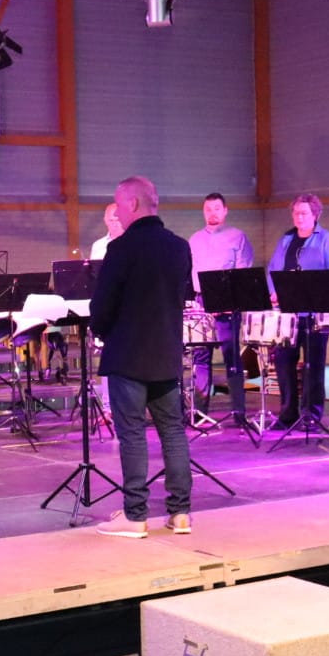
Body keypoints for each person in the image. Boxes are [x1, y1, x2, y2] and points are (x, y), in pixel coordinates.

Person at [91, 176, 194, 538]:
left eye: (119, 206)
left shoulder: (121, 249)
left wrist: (102, 331)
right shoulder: (180, 247)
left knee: (132, 434)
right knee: (173, 432)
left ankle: (135, 515)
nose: (117, 213)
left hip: (128, 356)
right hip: (166, 354)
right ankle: (181, 514)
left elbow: (102, 307)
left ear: (132, 204)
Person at [268, 193, 329, 428]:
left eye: (303, 213)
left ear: (315, 214)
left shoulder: (328, 240)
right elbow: (273, 270)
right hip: (287, 316)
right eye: (295, 213)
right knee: (284, 364)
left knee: (314, 366)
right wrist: (273, 292)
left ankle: (311, 414)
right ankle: (287, 414)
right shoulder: (286, 240)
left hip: (315, 314)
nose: (299, 217)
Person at [189, 192, 254, 428]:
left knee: (231, 356)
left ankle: (239, 412)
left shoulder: (238, 237)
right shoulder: (194, 239)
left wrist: (228, 300)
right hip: (201, 303)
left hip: (228, 303)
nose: (212, 213)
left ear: (225, 211)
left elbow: (243, 273)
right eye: (208, 209)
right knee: (200, 357)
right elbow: (190, 274)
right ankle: (199, 412)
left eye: (217, 208)